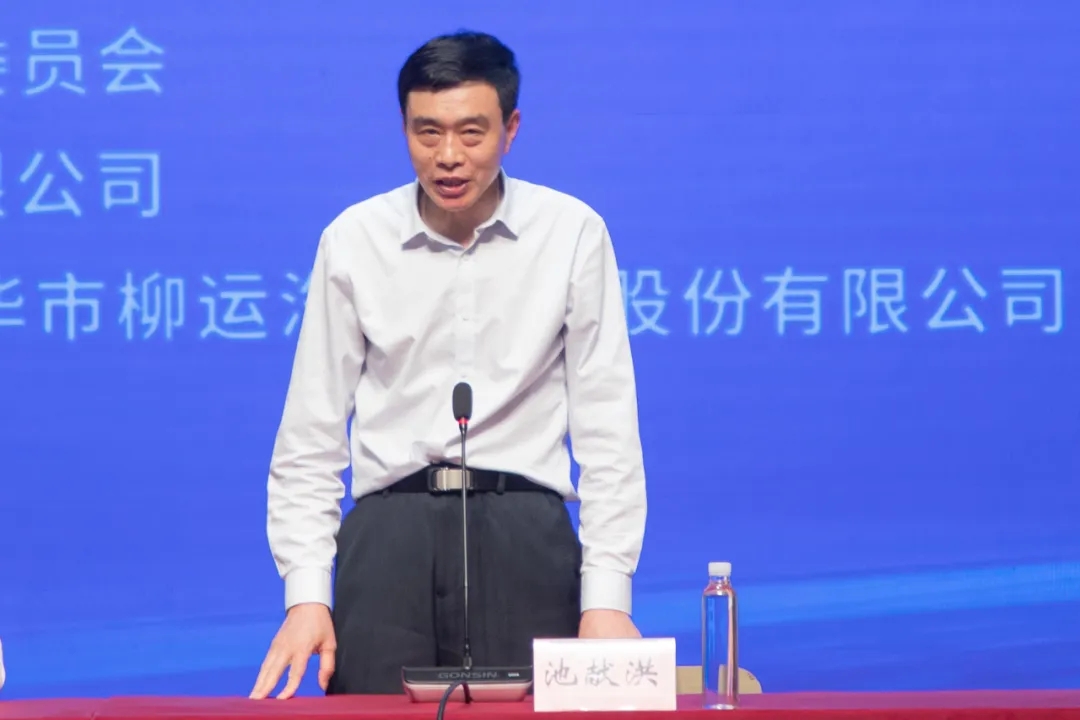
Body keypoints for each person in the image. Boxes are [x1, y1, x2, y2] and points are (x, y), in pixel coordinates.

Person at [249, 30, 647, 699]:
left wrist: (607, 594)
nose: (449, 156)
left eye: (471, 132)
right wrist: (307, 594)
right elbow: (310, 436)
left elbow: (608, 430)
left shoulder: (571, 232)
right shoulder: (354, 239)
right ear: (403, 128)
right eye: (427, 132)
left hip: (526, 538)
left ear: (511, 129)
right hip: (388, 543)